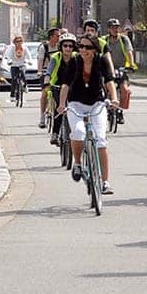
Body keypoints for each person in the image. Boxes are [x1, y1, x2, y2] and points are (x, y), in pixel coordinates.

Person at [57, 33, 120, 194]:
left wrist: (114, 99)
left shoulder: (101, 61)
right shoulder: (74, 61)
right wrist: (62, 104)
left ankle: (105, 182)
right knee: (78, 132)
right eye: (81, 46)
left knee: (100, 139)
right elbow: (65, 85)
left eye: (88, 47)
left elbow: (109, 81)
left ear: (95, 50)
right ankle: (77, 163)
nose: (83, 50)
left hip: (96, 104)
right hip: (75, 104)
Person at [43, 33, 77, 145]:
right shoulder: (55, 57)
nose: (68, 48)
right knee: (60, 109)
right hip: (57, 86)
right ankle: (55, 133)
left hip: (73, 87)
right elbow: (48, 72)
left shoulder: (77, 57)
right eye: (65, 45)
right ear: (61, 46)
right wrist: (47, 82)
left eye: (70, 46)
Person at [37, 28, 61, 128]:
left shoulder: (60, 46)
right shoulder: (44, 47)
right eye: (57, 36)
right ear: (51, 37)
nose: (59, 38)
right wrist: (39, 71)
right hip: (46, 72)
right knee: (44, 94)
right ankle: (42, 117)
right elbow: (40, 60)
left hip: (58, 72)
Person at [4, 35, 32, 102]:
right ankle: (12, 96)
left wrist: (29, 61)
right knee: (14, 79)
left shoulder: (24, 48)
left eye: (20, 41)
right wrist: (9, 61)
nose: (18, 43)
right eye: (17, 41)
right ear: (14, 42)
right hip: (14, 65)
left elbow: (29, 55)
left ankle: (25, 86)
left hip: (22, 64)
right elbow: (8, 56)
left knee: (23, 74)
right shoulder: (12, 48)